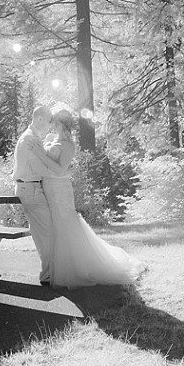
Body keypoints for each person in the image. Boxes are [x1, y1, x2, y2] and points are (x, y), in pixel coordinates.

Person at [23, 107, 145, 288]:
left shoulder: (69, 145)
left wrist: (40, 153)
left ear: (62, 124)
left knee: (65, 223)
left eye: (54, 122)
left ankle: (75, 268)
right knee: (53, 227)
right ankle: (54, 269)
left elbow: (59, 169)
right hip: (47, 187)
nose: (51, 125)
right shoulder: (51, 139)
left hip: (60, 189)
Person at [12, 105, 65, 287]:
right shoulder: (29, 139)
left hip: (30, 188)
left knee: (43, 233)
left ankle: (49, 274)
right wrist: (61, 172)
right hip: (30, 190)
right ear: (40, 118)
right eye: (50, 120)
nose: (51, 125)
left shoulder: (32, 137)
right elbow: (40, 169)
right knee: (47, 233)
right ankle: (48, 277)